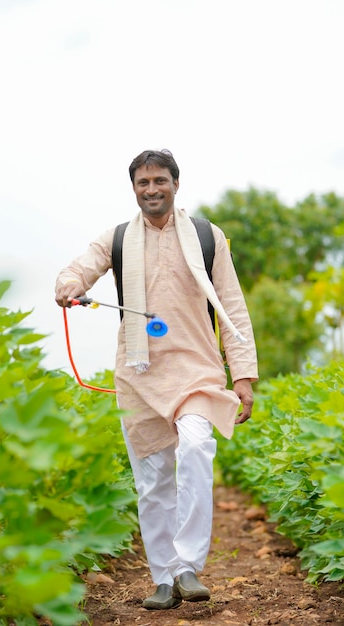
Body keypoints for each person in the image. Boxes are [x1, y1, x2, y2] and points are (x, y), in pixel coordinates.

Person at [55, 149, 258, 610]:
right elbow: (78, 268)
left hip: (198, 369)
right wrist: (68, 285)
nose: (152, 189)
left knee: (197, 446)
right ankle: (163, 577)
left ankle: (187, 566)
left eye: (160, 181)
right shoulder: (119, 238)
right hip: (140, 372)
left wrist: (243, 373)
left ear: (175, 184)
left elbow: (233, 306)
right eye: (143, 182)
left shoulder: (208, 236)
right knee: (153, 482)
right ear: (134, 189)